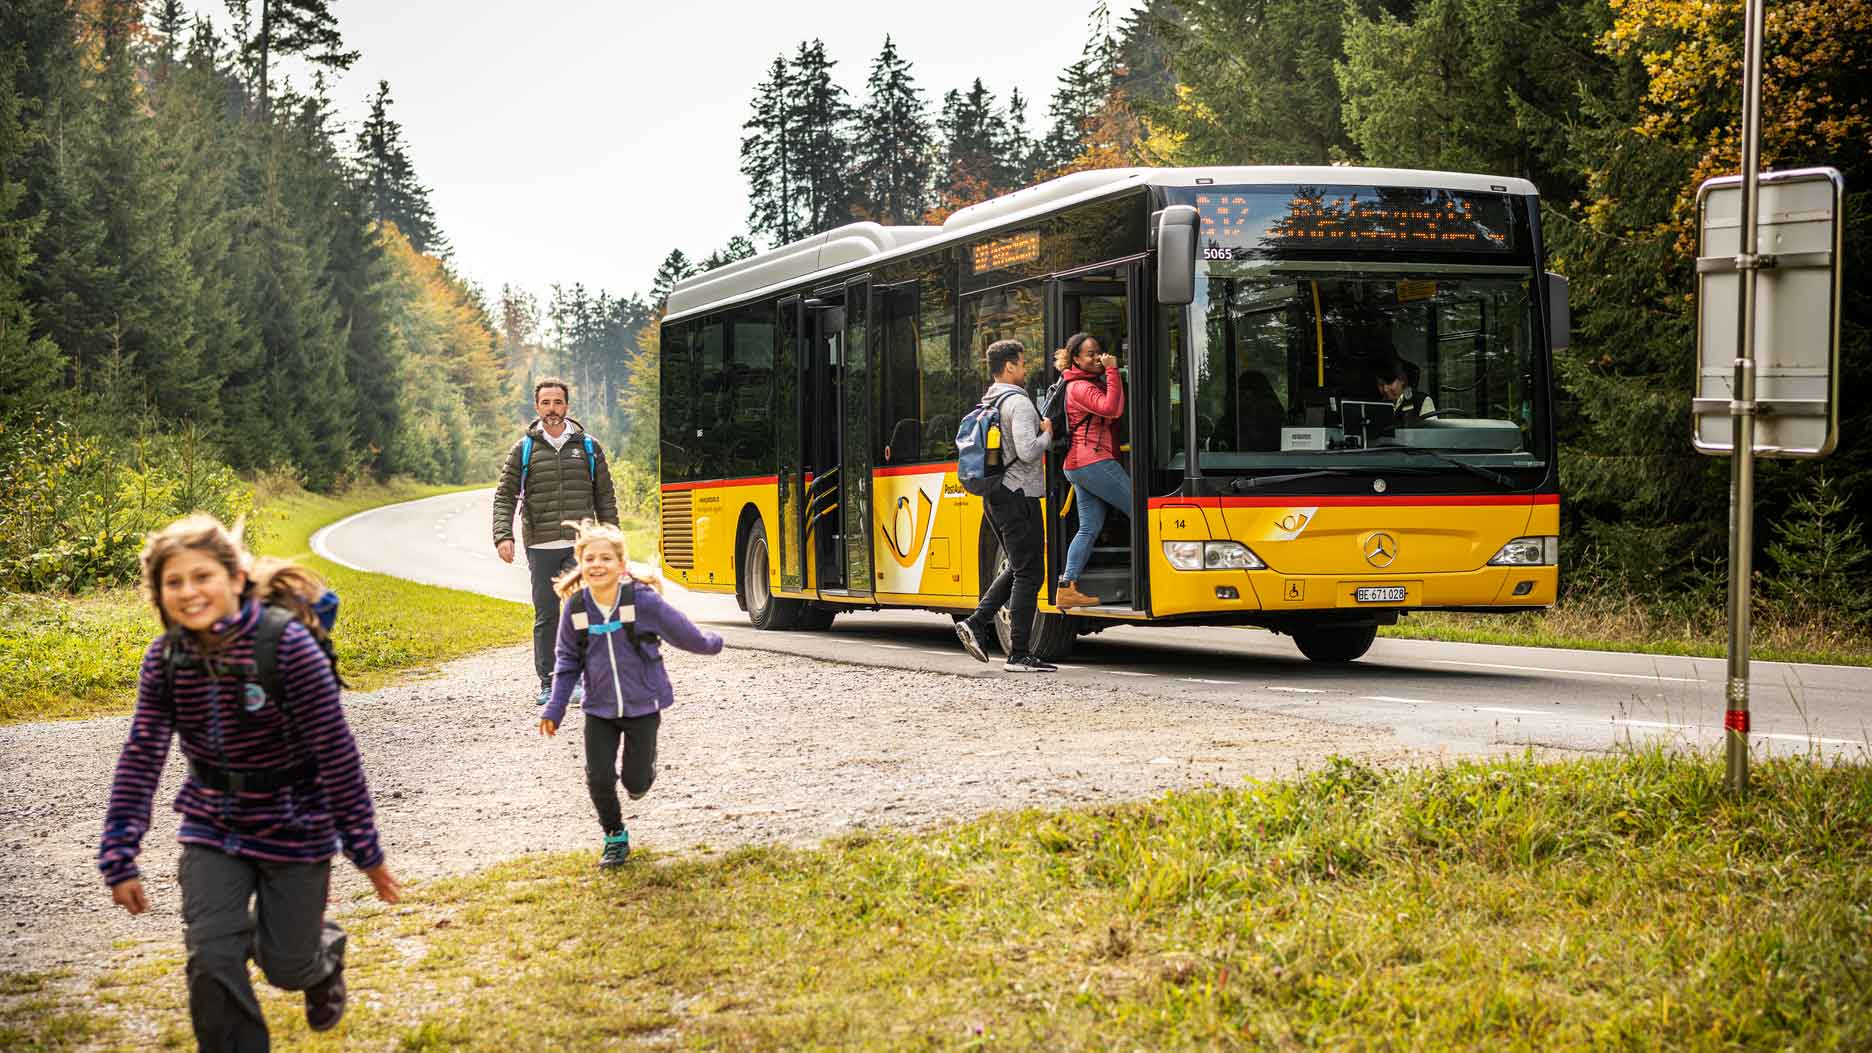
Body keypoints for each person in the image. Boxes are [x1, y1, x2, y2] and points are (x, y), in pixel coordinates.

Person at [99, 515, 400, 1050]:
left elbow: (337, 756)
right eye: (174, 582)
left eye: (202, 577)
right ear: (159, 593)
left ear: (235, 578)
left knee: (287, 965)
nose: (190, 592)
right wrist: (119, 851)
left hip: (295, 827)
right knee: (211, 957)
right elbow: (142, 755)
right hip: (212, 827)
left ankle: (322, 957)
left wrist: (366, 851)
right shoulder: (167, 659)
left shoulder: (287, 648)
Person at [538, 520, 723, 868]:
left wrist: (710, 644)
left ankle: (643, 771)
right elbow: (566, 663)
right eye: (589, 558)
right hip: (599, 709)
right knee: (599, 777)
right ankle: (614, 836)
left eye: (605, 558)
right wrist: (554, 708)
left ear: (621, 565)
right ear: (581, 563)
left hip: (643, 704)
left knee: (635, 781)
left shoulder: (641, 601)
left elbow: (680, 631)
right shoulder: (576, 609)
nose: (597, 565)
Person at [493, 377, 620, 708]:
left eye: (557, 402)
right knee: (547, 616)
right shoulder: (523, 450)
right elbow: (505, 496)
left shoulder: (589, 447)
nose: (552, 409)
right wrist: (503, 535)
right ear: (537, 407)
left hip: (583, 547)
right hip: (541, 546)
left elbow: (605, 498)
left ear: (567, 406)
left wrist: (613, 544)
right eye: (546, 403)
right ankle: (549, 683)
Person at [954, 339, 1056, 672]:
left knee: (1017, 564)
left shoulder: (991, 399)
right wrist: (1048, 434)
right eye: (1023, 363)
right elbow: (1028, 451)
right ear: (1009, 366)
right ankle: (1019, 653)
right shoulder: (1020, 403)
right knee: (1030, 572)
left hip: (995, 495)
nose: (1026, 369)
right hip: (1018, 495)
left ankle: (977, 622)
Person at [1053, 332, 1130, 609]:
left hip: (1080, 464)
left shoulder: (1082, 382)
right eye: (1090, 354)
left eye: (1099, 351)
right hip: (1092, 461)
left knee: (1089, 527)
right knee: (1142, 511)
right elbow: (1111, 409)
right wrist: (1112, 370)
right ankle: (1156, 574)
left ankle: (1067, 587)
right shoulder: (1080, 387)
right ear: (1076, 358)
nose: (1097, 357)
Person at [1376, 356, 1437, 425]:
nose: (1385, 389)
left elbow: (1431, 433)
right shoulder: (1376, 406)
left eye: (1389, 383)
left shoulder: (1421, 401)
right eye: (1380, 385)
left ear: (1402, 380)